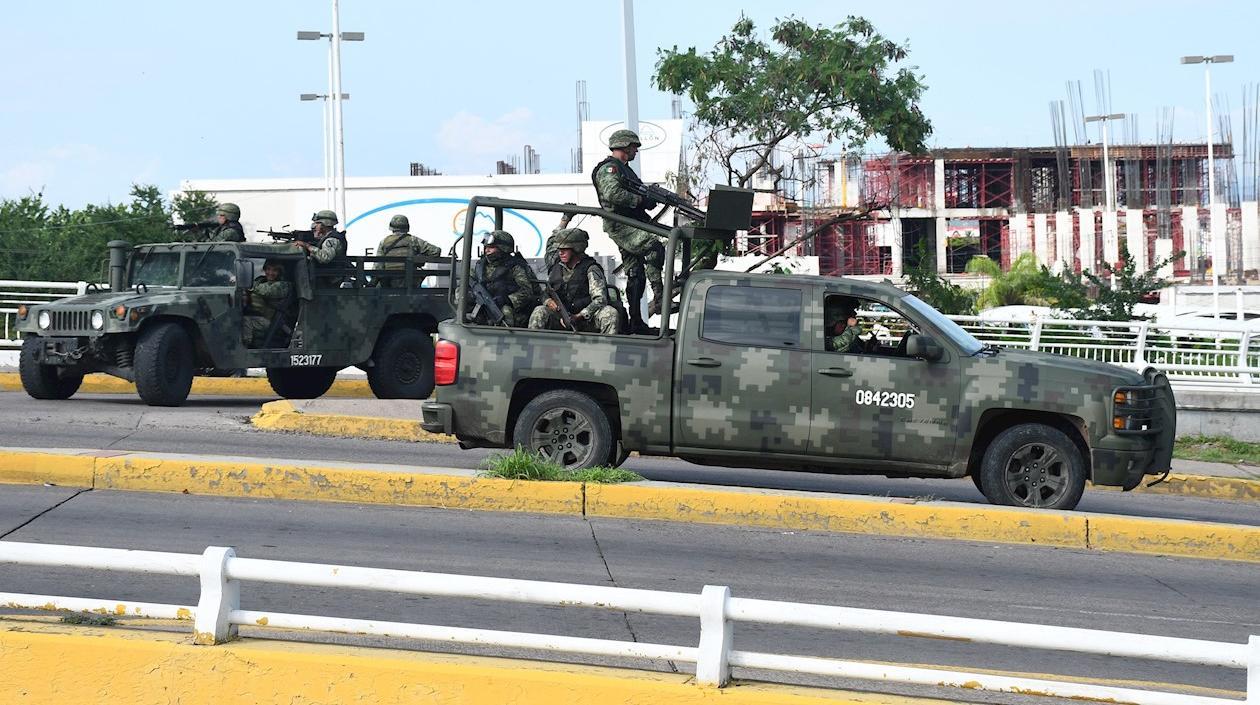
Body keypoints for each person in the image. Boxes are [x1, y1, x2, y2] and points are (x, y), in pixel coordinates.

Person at [591, 129, 667, 334]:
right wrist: (641, 200)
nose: (636, 151)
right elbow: (612, 193)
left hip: (631, 223)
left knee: (635, 274)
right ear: (624, 146)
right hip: (621, 225)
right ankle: (660, 298)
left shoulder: (625, 169)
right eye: (634, 147)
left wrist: (650, 199)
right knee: (654, 247)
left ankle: (636, 323)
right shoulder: (610, 169)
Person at [529, 228, 619, 335]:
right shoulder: (556, 266)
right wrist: (548, 301)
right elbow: (545, 293)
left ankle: (606, 349)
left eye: (565, 249)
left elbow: (600, 300)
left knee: (610, 313)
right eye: (559, 249)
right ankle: (534, 350)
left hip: (586, 319)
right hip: (561, 318)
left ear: (576, 249)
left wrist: (579, 316)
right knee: (539, 311)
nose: (561, 253)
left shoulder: (591, 269)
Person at [470, 230, 536, 327]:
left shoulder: (515, 266)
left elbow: (527, 291)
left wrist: (507, 300)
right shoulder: (481, 265)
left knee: (505, 311)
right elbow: (467, 282)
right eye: (486, 247)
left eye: (491, 247)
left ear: (503, 249)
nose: (487, 250)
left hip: (510, 310)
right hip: (483, 305)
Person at [376, 214, 442, 287]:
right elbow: (436, 251)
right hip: (410, 282)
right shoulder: (414, 240)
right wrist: (419, 259)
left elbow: (378, 266)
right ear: (407, 227)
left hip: (389, 283)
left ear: (391, 227)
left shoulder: (384, 242)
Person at [243, 260, 292, 347]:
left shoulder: (283, 285)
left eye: (274, 270)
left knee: (246, 321)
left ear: (279, 272)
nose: (270, 273)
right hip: (255, 315)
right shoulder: (260, 281)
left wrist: (245, 282)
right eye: (268, 269)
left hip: (270, 321)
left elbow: (267, 291)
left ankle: (246, 347)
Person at [295, 209, 349, 285]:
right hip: (326, 276)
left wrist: (307, 246)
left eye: (317, 223)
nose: (314, 226)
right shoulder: (327, 238)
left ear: (324, 224)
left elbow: (325, 258)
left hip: (330, 278)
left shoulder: (332, 239)